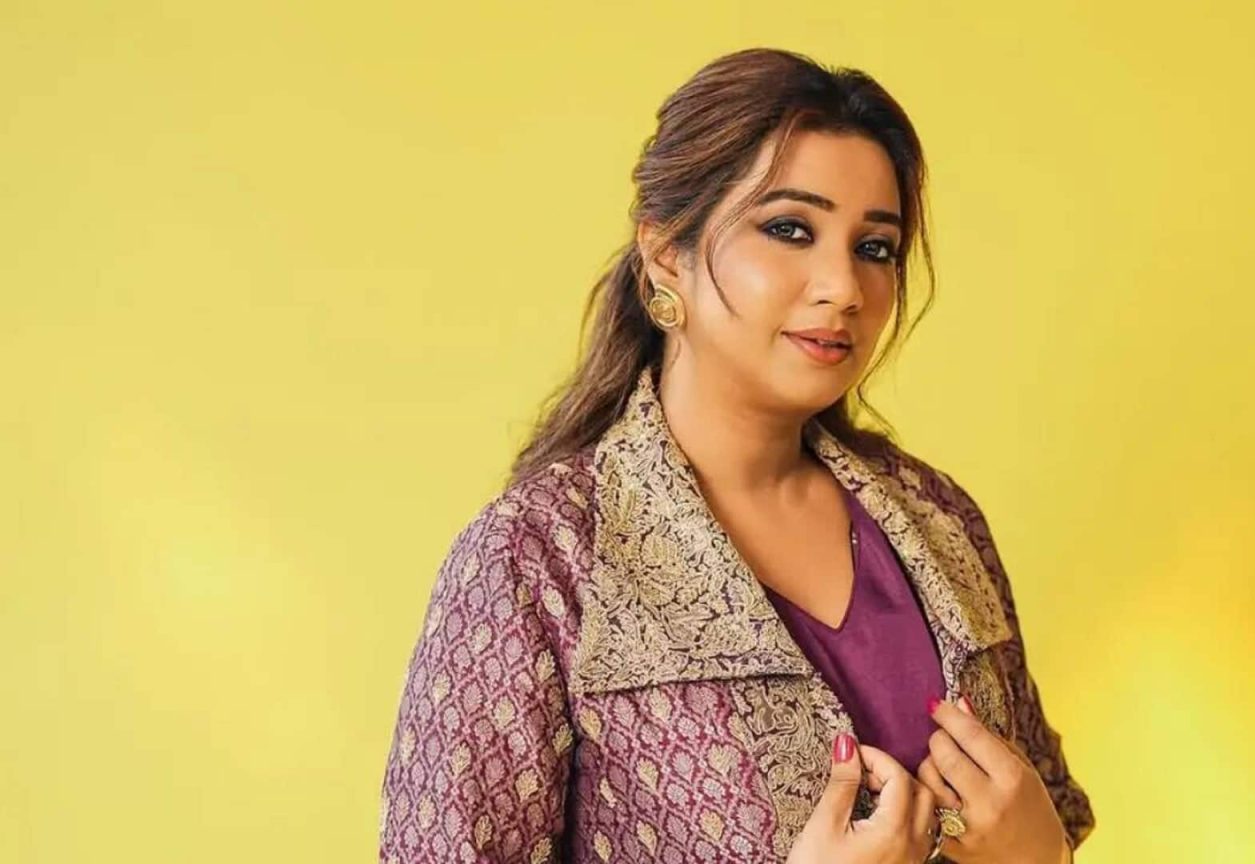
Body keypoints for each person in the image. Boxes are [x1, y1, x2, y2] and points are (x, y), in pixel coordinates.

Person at [377, 47, 1095, 864]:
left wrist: (1044, 856)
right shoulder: (539, 562)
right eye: (789, 230)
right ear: (665, 254)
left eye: (876, 247)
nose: (844, 288)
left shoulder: (939, 522)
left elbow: (1042, 815)